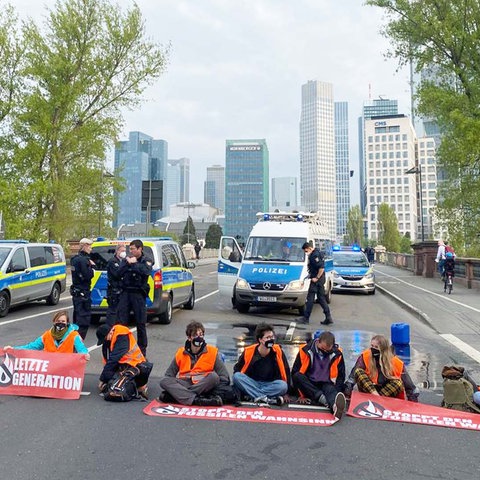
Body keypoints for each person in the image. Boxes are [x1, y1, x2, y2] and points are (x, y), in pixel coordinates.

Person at [159, 321, 229, 406]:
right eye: (195, 335)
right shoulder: (181, 353)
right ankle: (196, 399)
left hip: (204, 384)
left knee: (214, 377)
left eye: (201, 335)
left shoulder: (212, 352)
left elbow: (225, 377)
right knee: (164, 381)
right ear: (189, 338)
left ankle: (183, 396)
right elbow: (169, 375)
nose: (199, 338)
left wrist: (210, 386)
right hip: (185, 383)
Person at [344, 334, 419, 401]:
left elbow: (408, 384)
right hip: (369, 389)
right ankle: (377, 398)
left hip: (385, 392)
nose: (373, 349)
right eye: (372, 346)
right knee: (358, 371)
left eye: (376, 347)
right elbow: (353, 376)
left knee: (398, 382)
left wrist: (412, 401)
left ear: (383, 349)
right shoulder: (365, 356)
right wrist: (347, 391)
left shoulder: (395, 362)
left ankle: (377, 400)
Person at [291, 330, 346, 419]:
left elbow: (341, 376)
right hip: (310, 382)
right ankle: (325, 400)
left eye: (328, 350)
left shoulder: (337, 353)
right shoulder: (305, 350)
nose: (325, 351)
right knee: (298, 376)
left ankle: (335, 407)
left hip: (326, 383)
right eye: (323, 349)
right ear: (318, 342)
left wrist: (337, 391)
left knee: (331, 390)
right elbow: (294, 372)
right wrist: (300, 395)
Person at [232, 323, 291, 405]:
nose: (271, 340)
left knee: (283, 386)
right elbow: (237, 370)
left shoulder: (278, 351)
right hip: (252, 383)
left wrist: (286, 393)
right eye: (267, 338)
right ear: (260, 340)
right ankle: (266, 399)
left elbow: (286, 371)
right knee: (237, 376)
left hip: (270, 384)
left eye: (272, 337)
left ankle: (254, 395)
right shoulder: (249, 351)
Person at [96, 323, 152, 400]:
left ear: (111, 332)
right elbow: (107, 360)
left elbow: (113, 360)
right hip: (124, 365)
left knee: (122, 381)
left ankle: (141, 386)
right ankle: (136, 387)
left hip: (135, 364)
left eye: (106, 338)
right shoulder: (111, 338)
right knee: (114, 382)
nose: (106, 340)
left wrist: (103, 379)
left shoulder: (122, 337)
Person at [117, 239, 153, 356]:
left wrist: (134, 264)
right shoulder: (126, 259)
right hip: (126, 293)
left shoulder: (146, 260)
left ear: (140, 249)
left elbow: (146, 271)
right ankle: (122, 348)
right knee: (122, 322)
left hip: (138, 293)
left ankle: (142, 351)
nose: (131, 251)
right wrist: (127, 263)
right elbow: (118, 273)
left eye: (133, 249)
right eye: (130, 249)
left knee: (140, 323)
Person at [4, 310, 89, 360]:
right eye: (58, 321)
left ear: (67, 323)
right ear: (54, 322)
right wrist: (13, 349)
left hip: (66, 369)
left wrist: (85, 354)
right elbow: (32, 347)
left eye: (63, 321)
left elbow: (81, 349)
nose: (60, 323)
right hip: (50, 368)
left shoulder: (74, 335)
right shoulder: (47, 335)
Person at [298, 241, 332, 325]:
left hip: (317, 281)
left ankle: (306, 318)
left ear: (309, 248)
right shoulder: (316, 253)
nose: (306, 253)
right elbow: (313, 269)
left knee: (310, 299)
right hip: (318, 280)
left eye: (306, 251)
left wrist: (316, 278)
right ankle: (328, 317)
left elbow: (321, 268)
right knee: (321, 298)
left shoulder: (314, 255)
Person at [70, 237, 95, 339]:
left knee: (76, 321)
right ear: (84, 246)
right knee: (83, 321)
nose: (91, 249)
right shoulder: (84, 261)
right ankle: (77, 348)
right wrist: (91, 267)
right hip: (83, 293)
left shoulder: (74, 259)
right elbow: (88, 275)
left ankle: (73, 344)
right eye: (90, 246)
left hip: (76, 292)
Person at [105, 244, 126, 327]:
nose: (123, 253)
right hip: (114, 291)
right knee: (113, 312)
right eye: (122, 251)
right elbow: (117, 274)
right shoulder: (113, 261)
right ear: (117, 251)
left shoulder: (122, 262)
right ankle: (110, 328)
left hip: (121, 290)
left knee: (120, 312)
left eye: (124, 251)